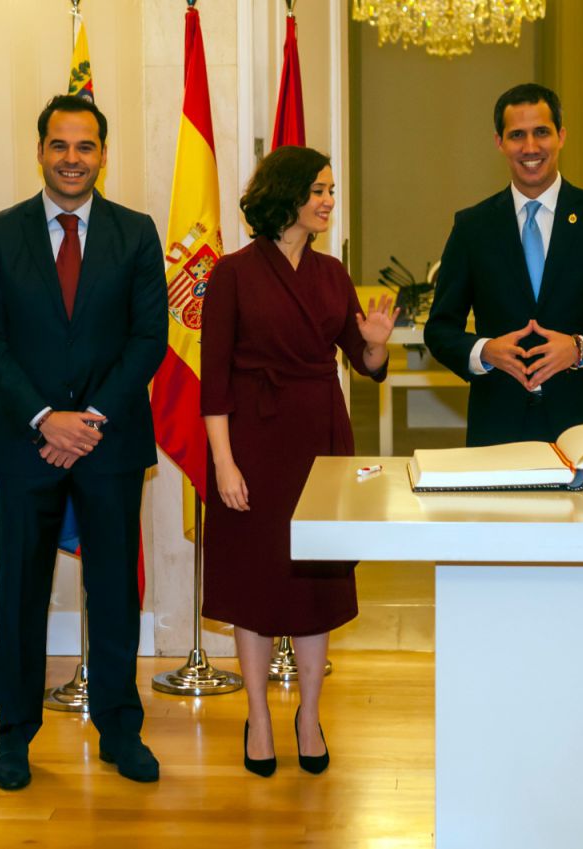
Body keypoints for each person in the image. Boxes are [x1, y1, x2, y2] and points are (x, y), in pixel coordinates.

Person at [0, 94, 168, 789]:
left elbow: (149, 338)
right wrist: (44, 417)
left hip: (111, 443)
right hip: (27, 445)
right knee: (19, 594)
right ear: (40, 151)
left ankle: (120, 729)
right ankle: (13, 736)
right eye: (60, 145)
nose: (72, 158)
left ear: (103, 154)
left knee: (114, 592)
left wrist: (89, 420)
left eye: (85, 146)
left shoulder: (136, 233)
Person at [200, 145, 396, 777]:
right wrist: (223, 464)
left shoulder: (332, 273)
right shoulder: (231, 273)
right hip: (252, 446)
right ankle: (258, 717)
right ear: (286, 193)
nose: (328, 201)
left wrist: (374, 346)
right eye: (319, 190)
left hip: (321, 442)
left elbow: (363, 364)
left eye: (331, 190)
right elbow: (213, 382)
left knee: (317, 584)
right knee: (255, 584)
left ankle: (309, 716)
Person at [424, 83, 583, 446]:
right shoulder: (472, 227)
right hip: (497, 427)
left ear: (561, 136)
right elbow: (440, 330)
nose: (530, 147)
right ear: (499, 142)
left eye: (541, 132)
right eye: (517, 135)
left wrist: (580, 349)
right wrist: (484, 351)